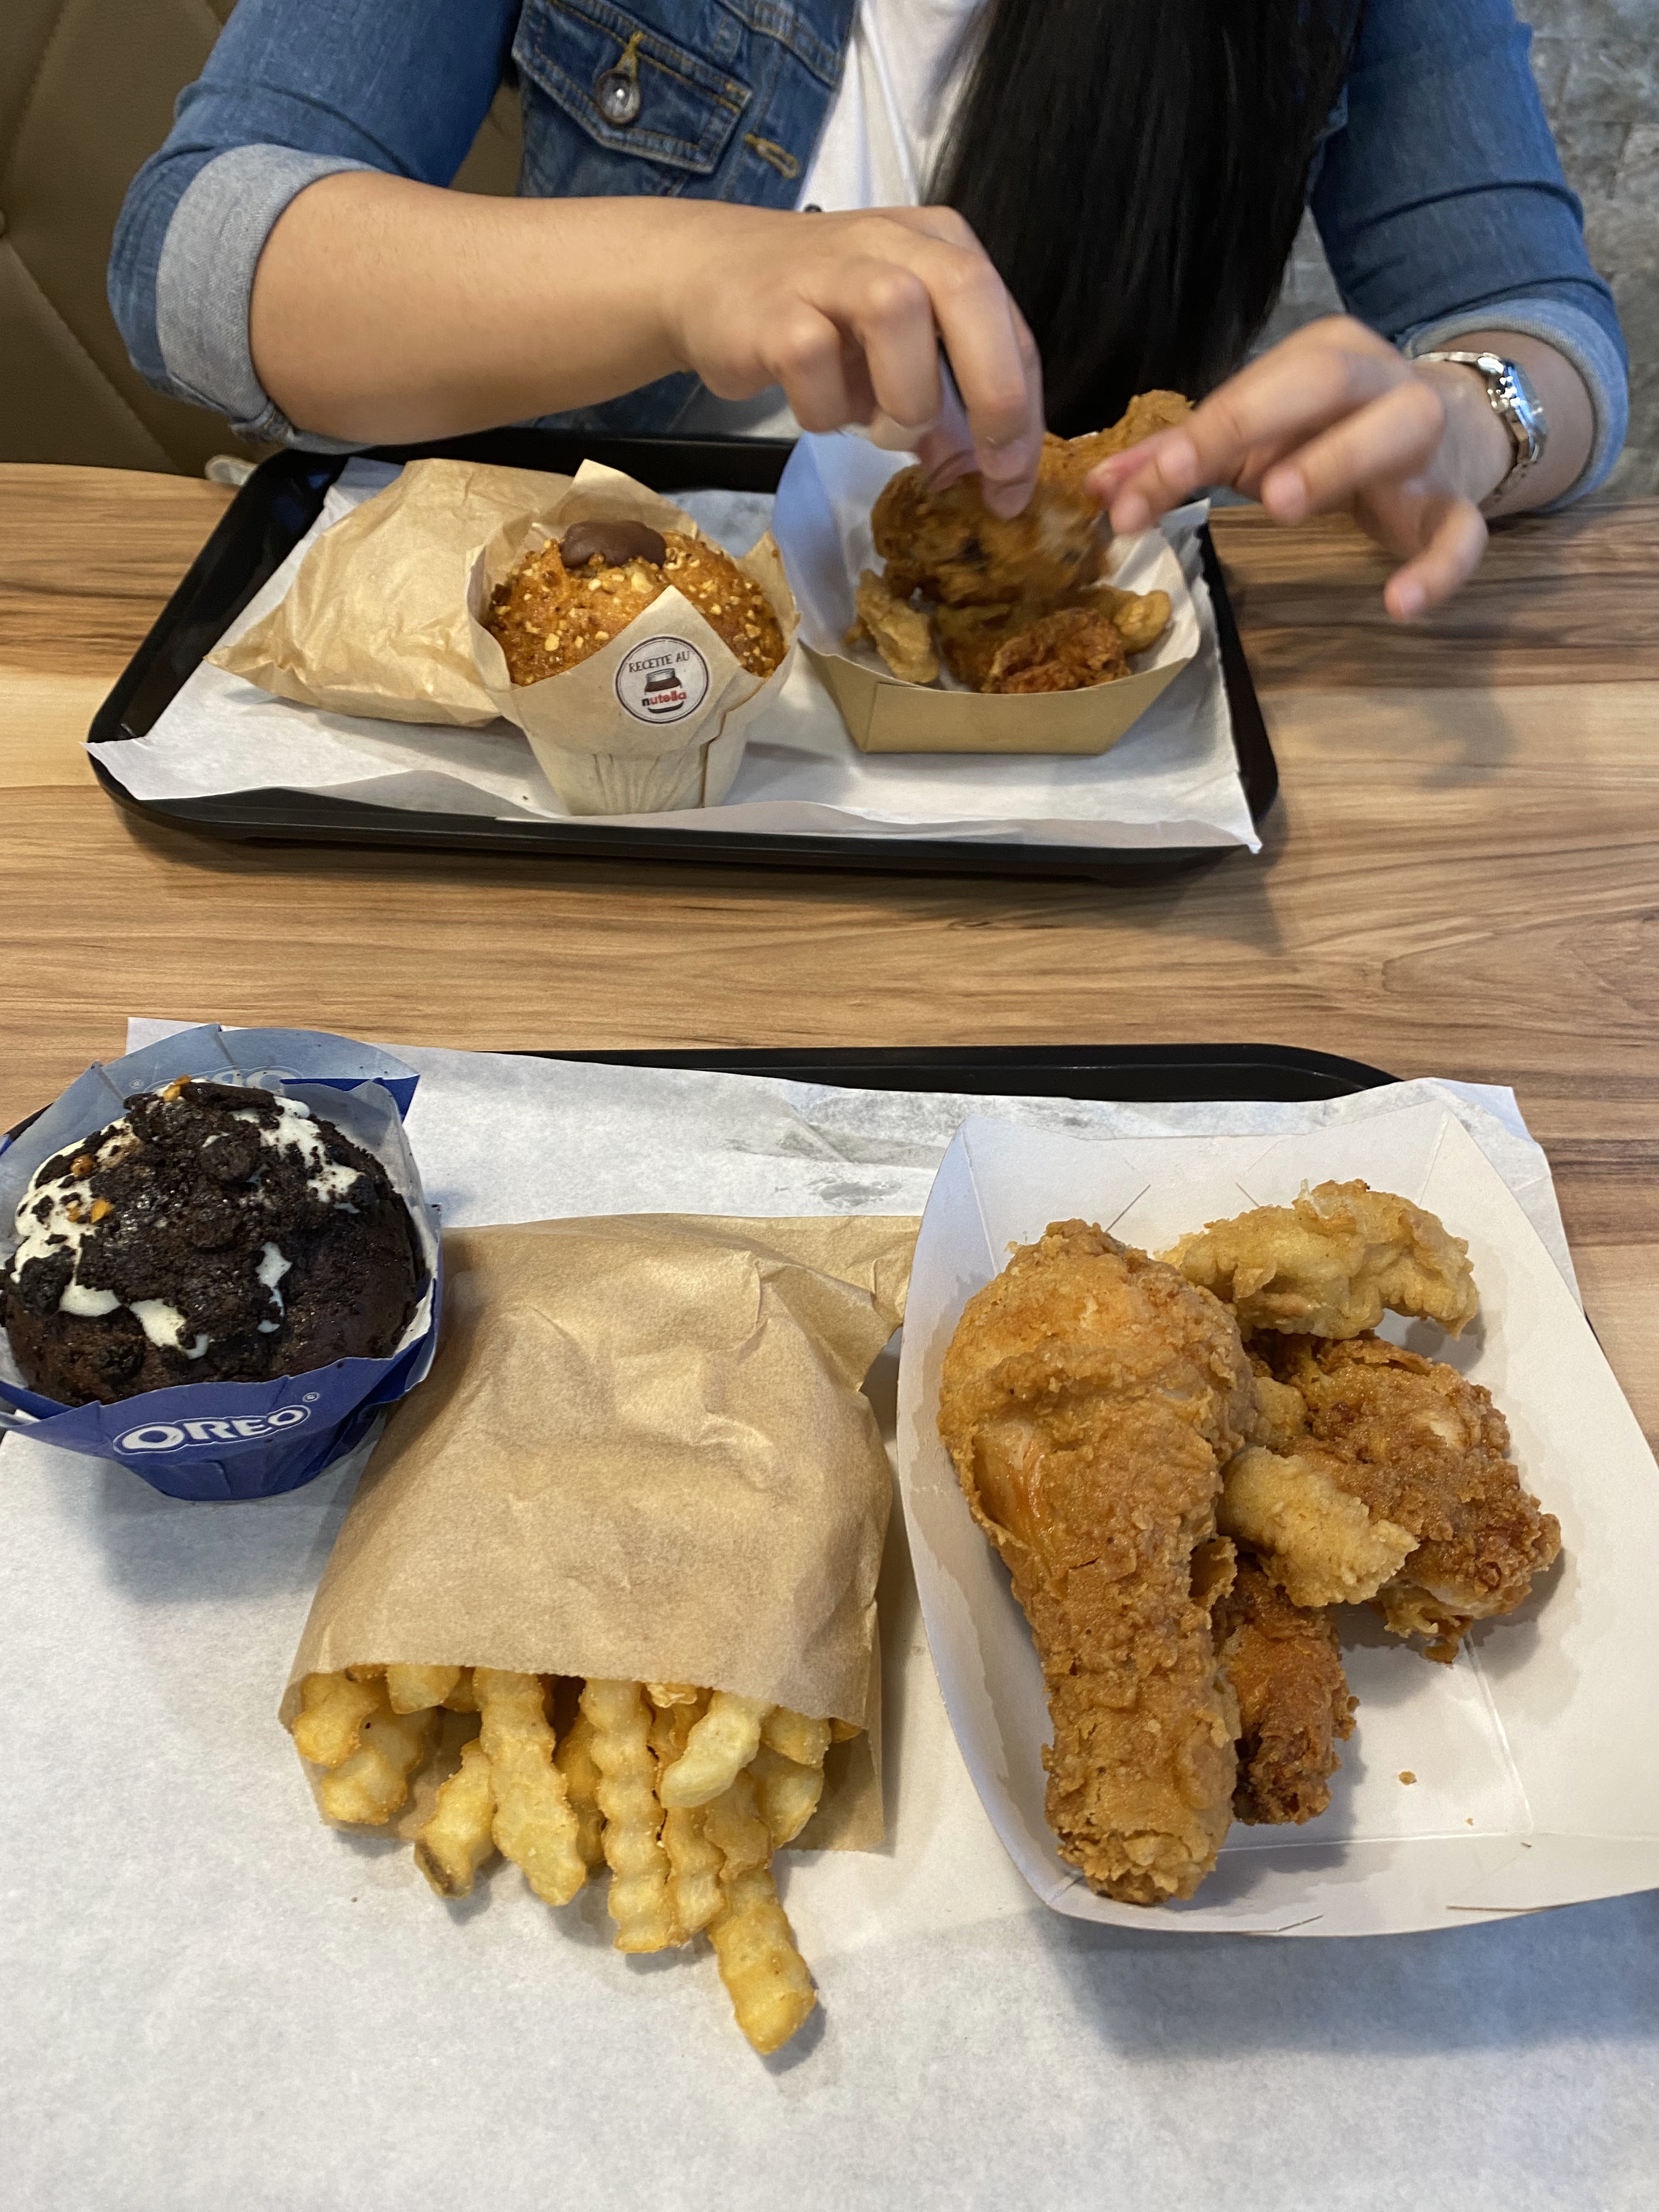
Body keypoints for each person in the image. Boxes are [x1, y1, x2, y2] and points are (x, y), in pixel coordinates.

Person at [111, 0, 1626, 622]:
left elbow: (1538, 323)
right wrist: (687, 270)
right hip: (572, 680)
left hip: (1052, 770)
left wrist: (1472, 417)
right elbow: (189, 255)